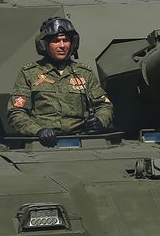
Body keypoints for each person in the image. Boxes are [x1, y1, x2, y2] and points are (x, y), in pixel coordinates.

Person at [8, 17, 113, 147]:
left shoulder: (84, 73)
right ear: (44, 44)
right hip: (42, 144)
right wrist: (38, 131)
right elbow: (16, 112)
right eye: (56, 41)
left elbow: (104, 105)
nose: (62, 46)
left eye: (66, 40)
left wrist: (100, 120)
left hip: (82, 142)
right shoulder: (29, 74)